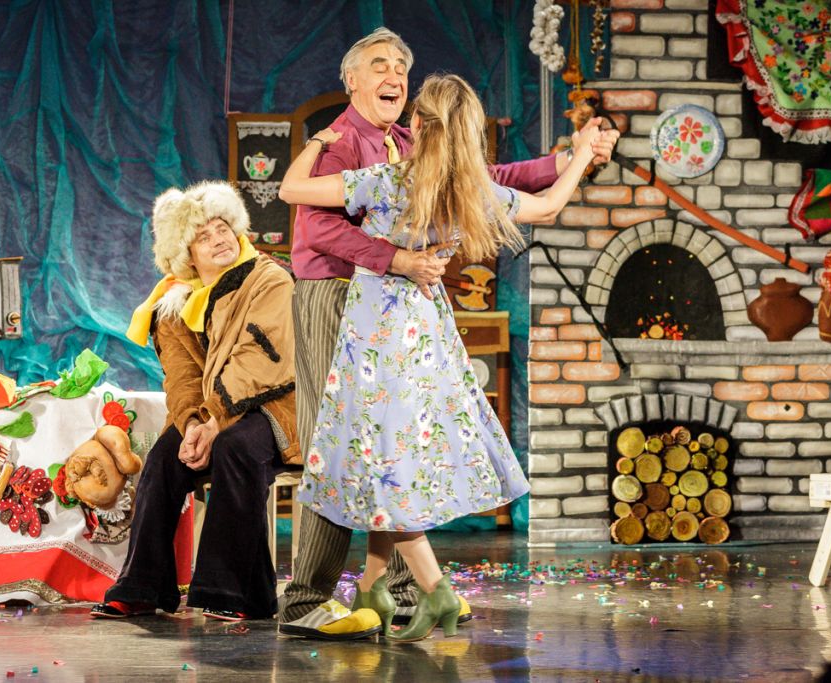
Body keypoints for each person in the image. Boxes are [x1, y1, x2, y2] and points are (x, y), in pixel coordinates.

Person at [279, 26, 619, 641]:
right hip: (339, 294)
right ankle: (314, 596)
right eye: (379, 65)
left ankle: (394, 587)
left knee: (387, 444)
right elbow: (315, 230)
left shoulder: (408, 151)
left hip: (393, 313)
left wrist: (568, 159)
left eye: (401, 67)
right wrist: (398, 259)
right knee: (343, 444)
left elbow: (482, 175)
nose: (393, 75)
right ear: (350, 80)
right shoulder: (344, 142)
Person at [91, 181, 299, 621]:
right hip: (211, 414)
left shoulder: (270, 279)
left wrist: (213, 421)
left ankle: (230, 591)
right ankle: (142, 587)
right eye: (203, 237)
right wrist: (189, 424)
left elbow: (261, 360)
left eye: (223, 228)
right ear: (186, 255)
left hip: (278, 407)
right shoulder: (174, 304)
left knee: (236, 448)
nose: (219, 239)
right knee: (163, 458)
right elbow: (182, 378)